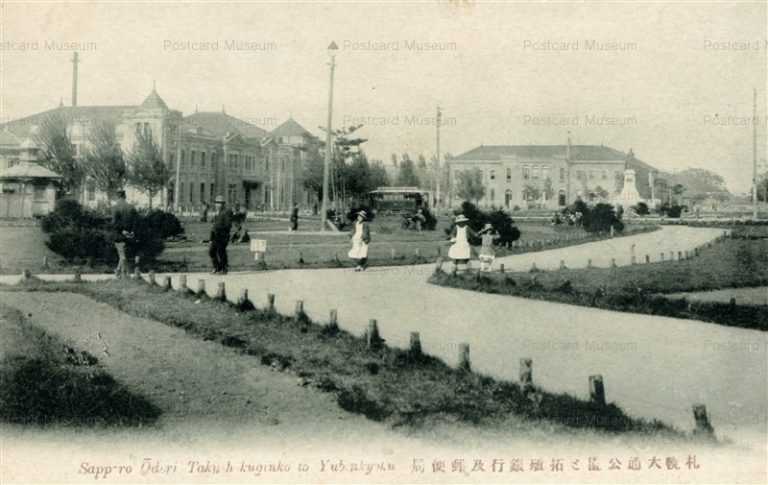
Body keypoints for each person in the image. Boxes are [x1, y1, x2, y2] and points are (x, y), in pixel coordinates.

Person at [111, 190, 137, 278]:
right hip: (130, 235)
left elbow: (114, 223)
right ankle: (118, 272)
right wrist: (132, 231)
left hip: (119, 235)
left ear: (117, 197)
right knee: (123, 254)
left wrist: (122, 231)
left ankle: (126, 275)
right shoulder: (131, 207)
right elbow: (136, 222)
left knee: (122, 256)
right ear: (125, 196)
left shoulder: (115, 207)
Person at [209, 195, 232, 274]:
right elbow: (214, 226)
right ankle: (217, 267)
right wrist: (211, 237)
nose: (217, 205)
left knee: (221, 251)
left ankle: (224, 268)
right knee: (211, 251)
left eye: (220, 203)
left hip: (223, 236)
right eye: (216, 203)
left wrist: (220, 229)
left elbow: (228, 225)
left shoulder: (227, 212)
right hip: (216, 236)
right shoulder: (217, 213)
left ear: (223, 204)